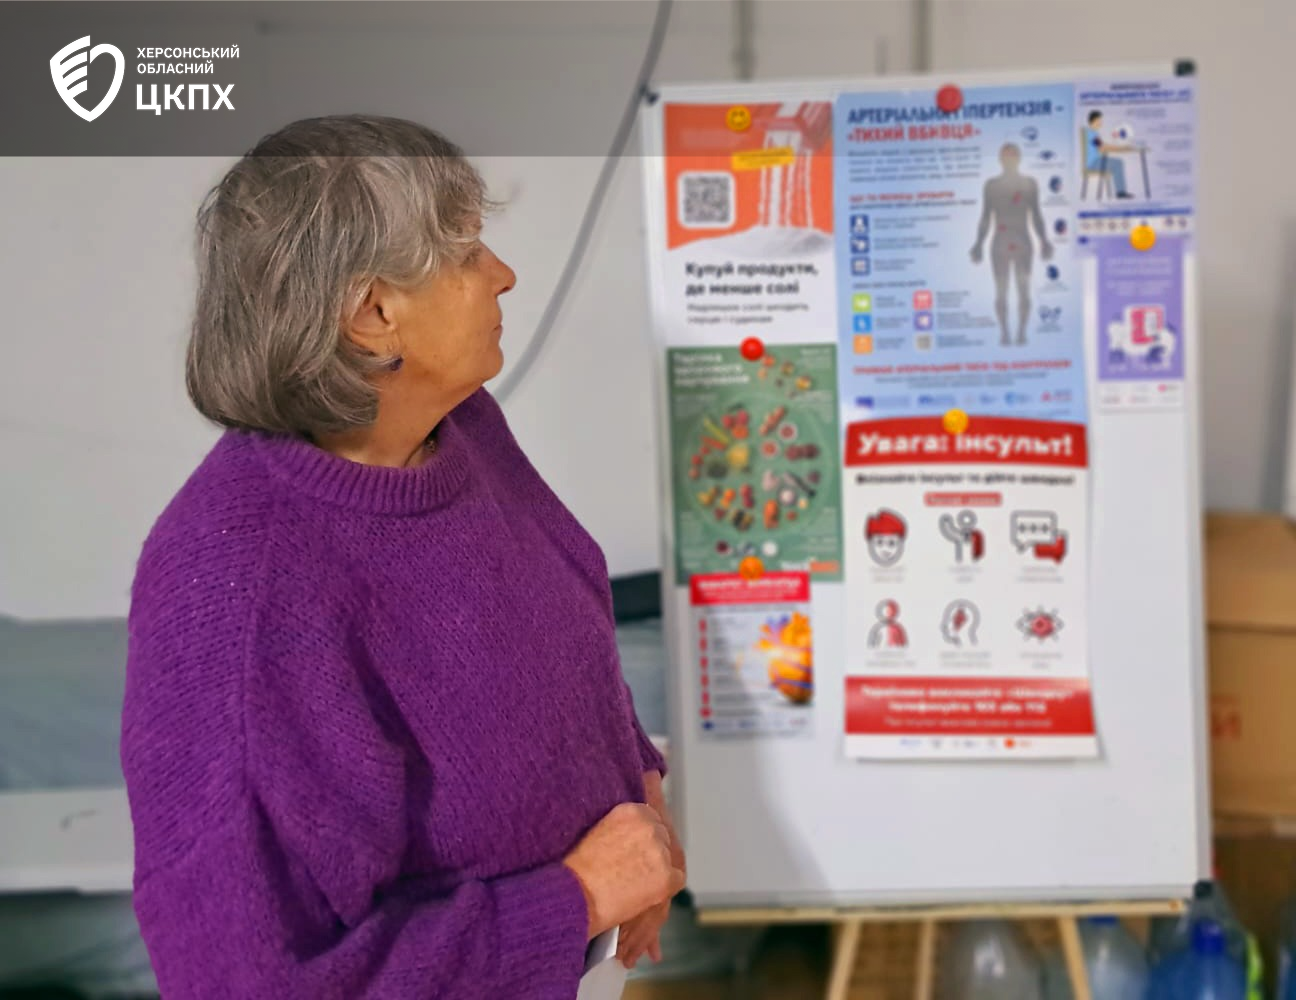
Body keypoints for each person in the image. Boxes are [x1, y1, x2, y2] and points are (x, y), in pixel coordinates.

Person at [120, 115, 685, 999]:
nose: (503, 273)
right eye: (464, 251)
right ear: (373, 314)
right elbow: (251, 981)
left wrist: (638, 798)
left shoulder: (462, 431)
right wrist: (576, 899)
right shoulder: (236, 583)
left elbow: (567, 640)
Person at [970, 143, 1054, 346]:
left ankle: (1021, 333)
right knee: (1001, 291)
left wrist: (1044, 240)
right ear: (1000, 160)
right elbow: (985, 216)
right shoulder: (991, 186)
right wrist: (978, 243)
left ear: (1019, 159)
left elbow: (1036, 215)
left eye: (1013, 155)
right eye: (1006, 156)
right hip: (1000, 242)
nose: (1009, 159)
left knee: (1023, 290)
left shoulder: (1029, 184)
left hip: (1022, 241)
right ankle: (1005, 333)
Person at [1084, 110, 1135, 200]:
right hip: (1094, 163)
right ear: (1094, 120)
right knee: (1118, 163)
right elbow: (1102, 147)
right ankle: (1121, 192)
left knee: (1118, 162)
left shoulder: (1091, 133)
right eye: (1099, 120)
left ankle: (1120, 192)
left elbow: (1102, 145)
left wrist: (1120, 148)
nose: (1101, 122)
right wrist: (1122, 148)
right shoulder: (1091, 133)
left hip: (1096, 161)